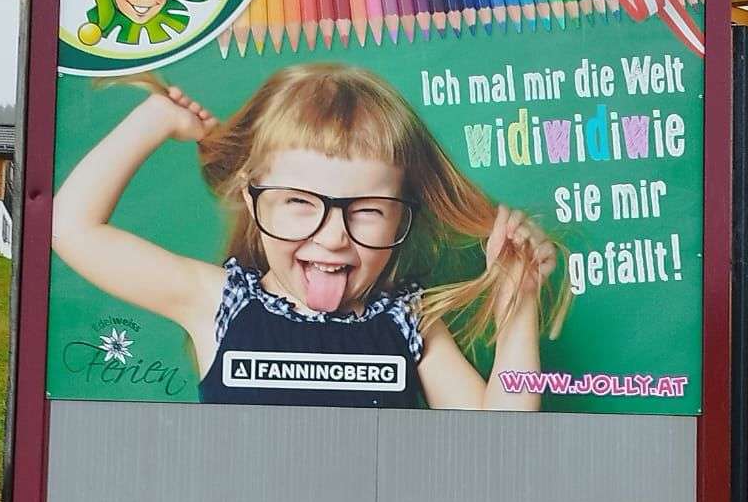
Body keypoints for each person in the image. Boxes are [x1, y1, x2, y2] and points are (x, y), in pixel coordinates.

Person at [51, 63, 563, 410]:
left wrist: (518, 302)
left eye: (367, 210)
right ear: (253, 201)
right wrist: (155, 120)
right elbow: (72, 229)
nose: (333, 237)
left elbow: (500, 442)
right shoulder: (216, 304)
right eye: (300, 203)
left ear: (403, 213)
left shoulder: (410, 325)